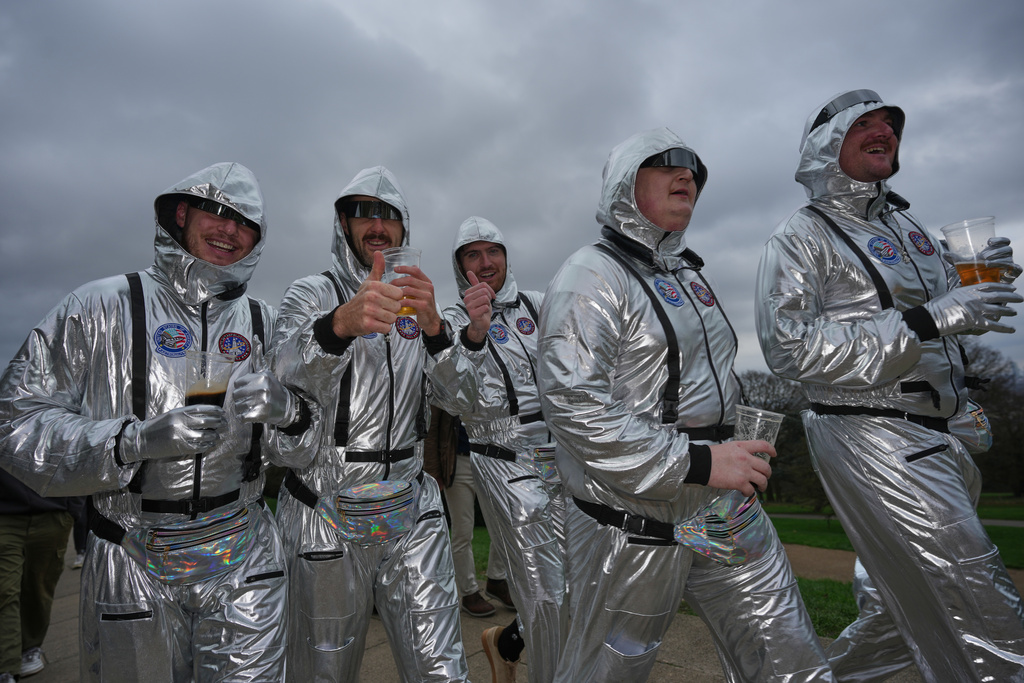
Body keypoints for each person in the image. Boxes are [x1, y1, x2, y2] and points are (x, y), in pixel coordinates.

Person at [537, 129, 834, 683]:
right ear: (626, 182)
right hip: (630, 517)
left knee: (788, 654)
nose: (687, 175)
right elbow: (573, 404)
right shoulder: (590, 274)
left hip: (722, 508)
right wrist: (699, 461)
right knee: (611, 668)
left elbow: (710, 378)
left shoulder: (690, 275)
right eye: (667, 163)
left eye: (695, 168)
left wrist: (733, 442)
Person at [754, 89, 1024, 682]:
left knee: (896, 614)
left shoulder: (906, 222)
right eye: (864, 124)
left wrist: (973, 278)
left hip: (941, 432)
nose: (884, 132)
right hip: (872, 433)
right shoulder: (801, 235)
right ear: (828, 144)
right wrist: (935, 317)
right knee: (987, 608)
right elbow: (788, 347)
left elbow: (932, 304)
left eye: (891, 124)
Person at [0, 162, 292, 681]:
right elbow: (15, 423)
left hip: (244, 550)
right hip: (132, 554)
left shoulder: (264, 323)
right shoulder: (98, 306)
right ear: (181, 213)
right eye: (218, 212)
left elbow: (307, 448)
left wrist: (291, 412)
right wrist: (131, 441)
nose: (230, 229)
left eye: (246, 221)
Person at [267, 166, 469, 682]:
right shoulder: (310, 293)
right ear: (342, 223)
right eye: (363, 214)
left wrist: (438, 334)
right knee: (322, 671)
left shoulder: (420, 302)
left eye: (389, 216)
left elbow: (466, 399)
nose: (377, 226)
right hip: (325, 505)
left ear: (405, 230)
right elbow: (281, 373)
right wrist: (339, 325)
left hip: (410, 503)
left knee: (441, 670)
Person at [431, 216, 568, 682]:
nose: (486, 262)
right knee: (548, 592)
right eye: (472, 254)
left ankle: (505, 643)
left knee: (581, 578)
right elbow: (449, 398)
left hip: (564, 452)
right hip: (501, 459)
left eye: (494, 251)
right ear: (459, 265)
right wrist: (474, 334)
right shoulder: (450, 320)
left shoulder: (538, 304)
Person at [422, 406, 513, 619]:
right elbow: (432, 429)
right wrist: (435, 472)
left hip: (491, 461)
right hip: (458, 462)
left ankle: (497, 580)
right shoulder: (448, 381)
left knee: (504, 522)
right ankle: (469, 592)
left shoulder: (491, 377)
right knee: (463, 531)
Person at [0, 470, 77, 681]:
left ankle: (30, 647)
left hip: (52, 514)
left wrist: (73, 509)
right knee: (5, 591)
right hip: (5, 516)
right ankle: (6, 666)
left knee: (40, 587)